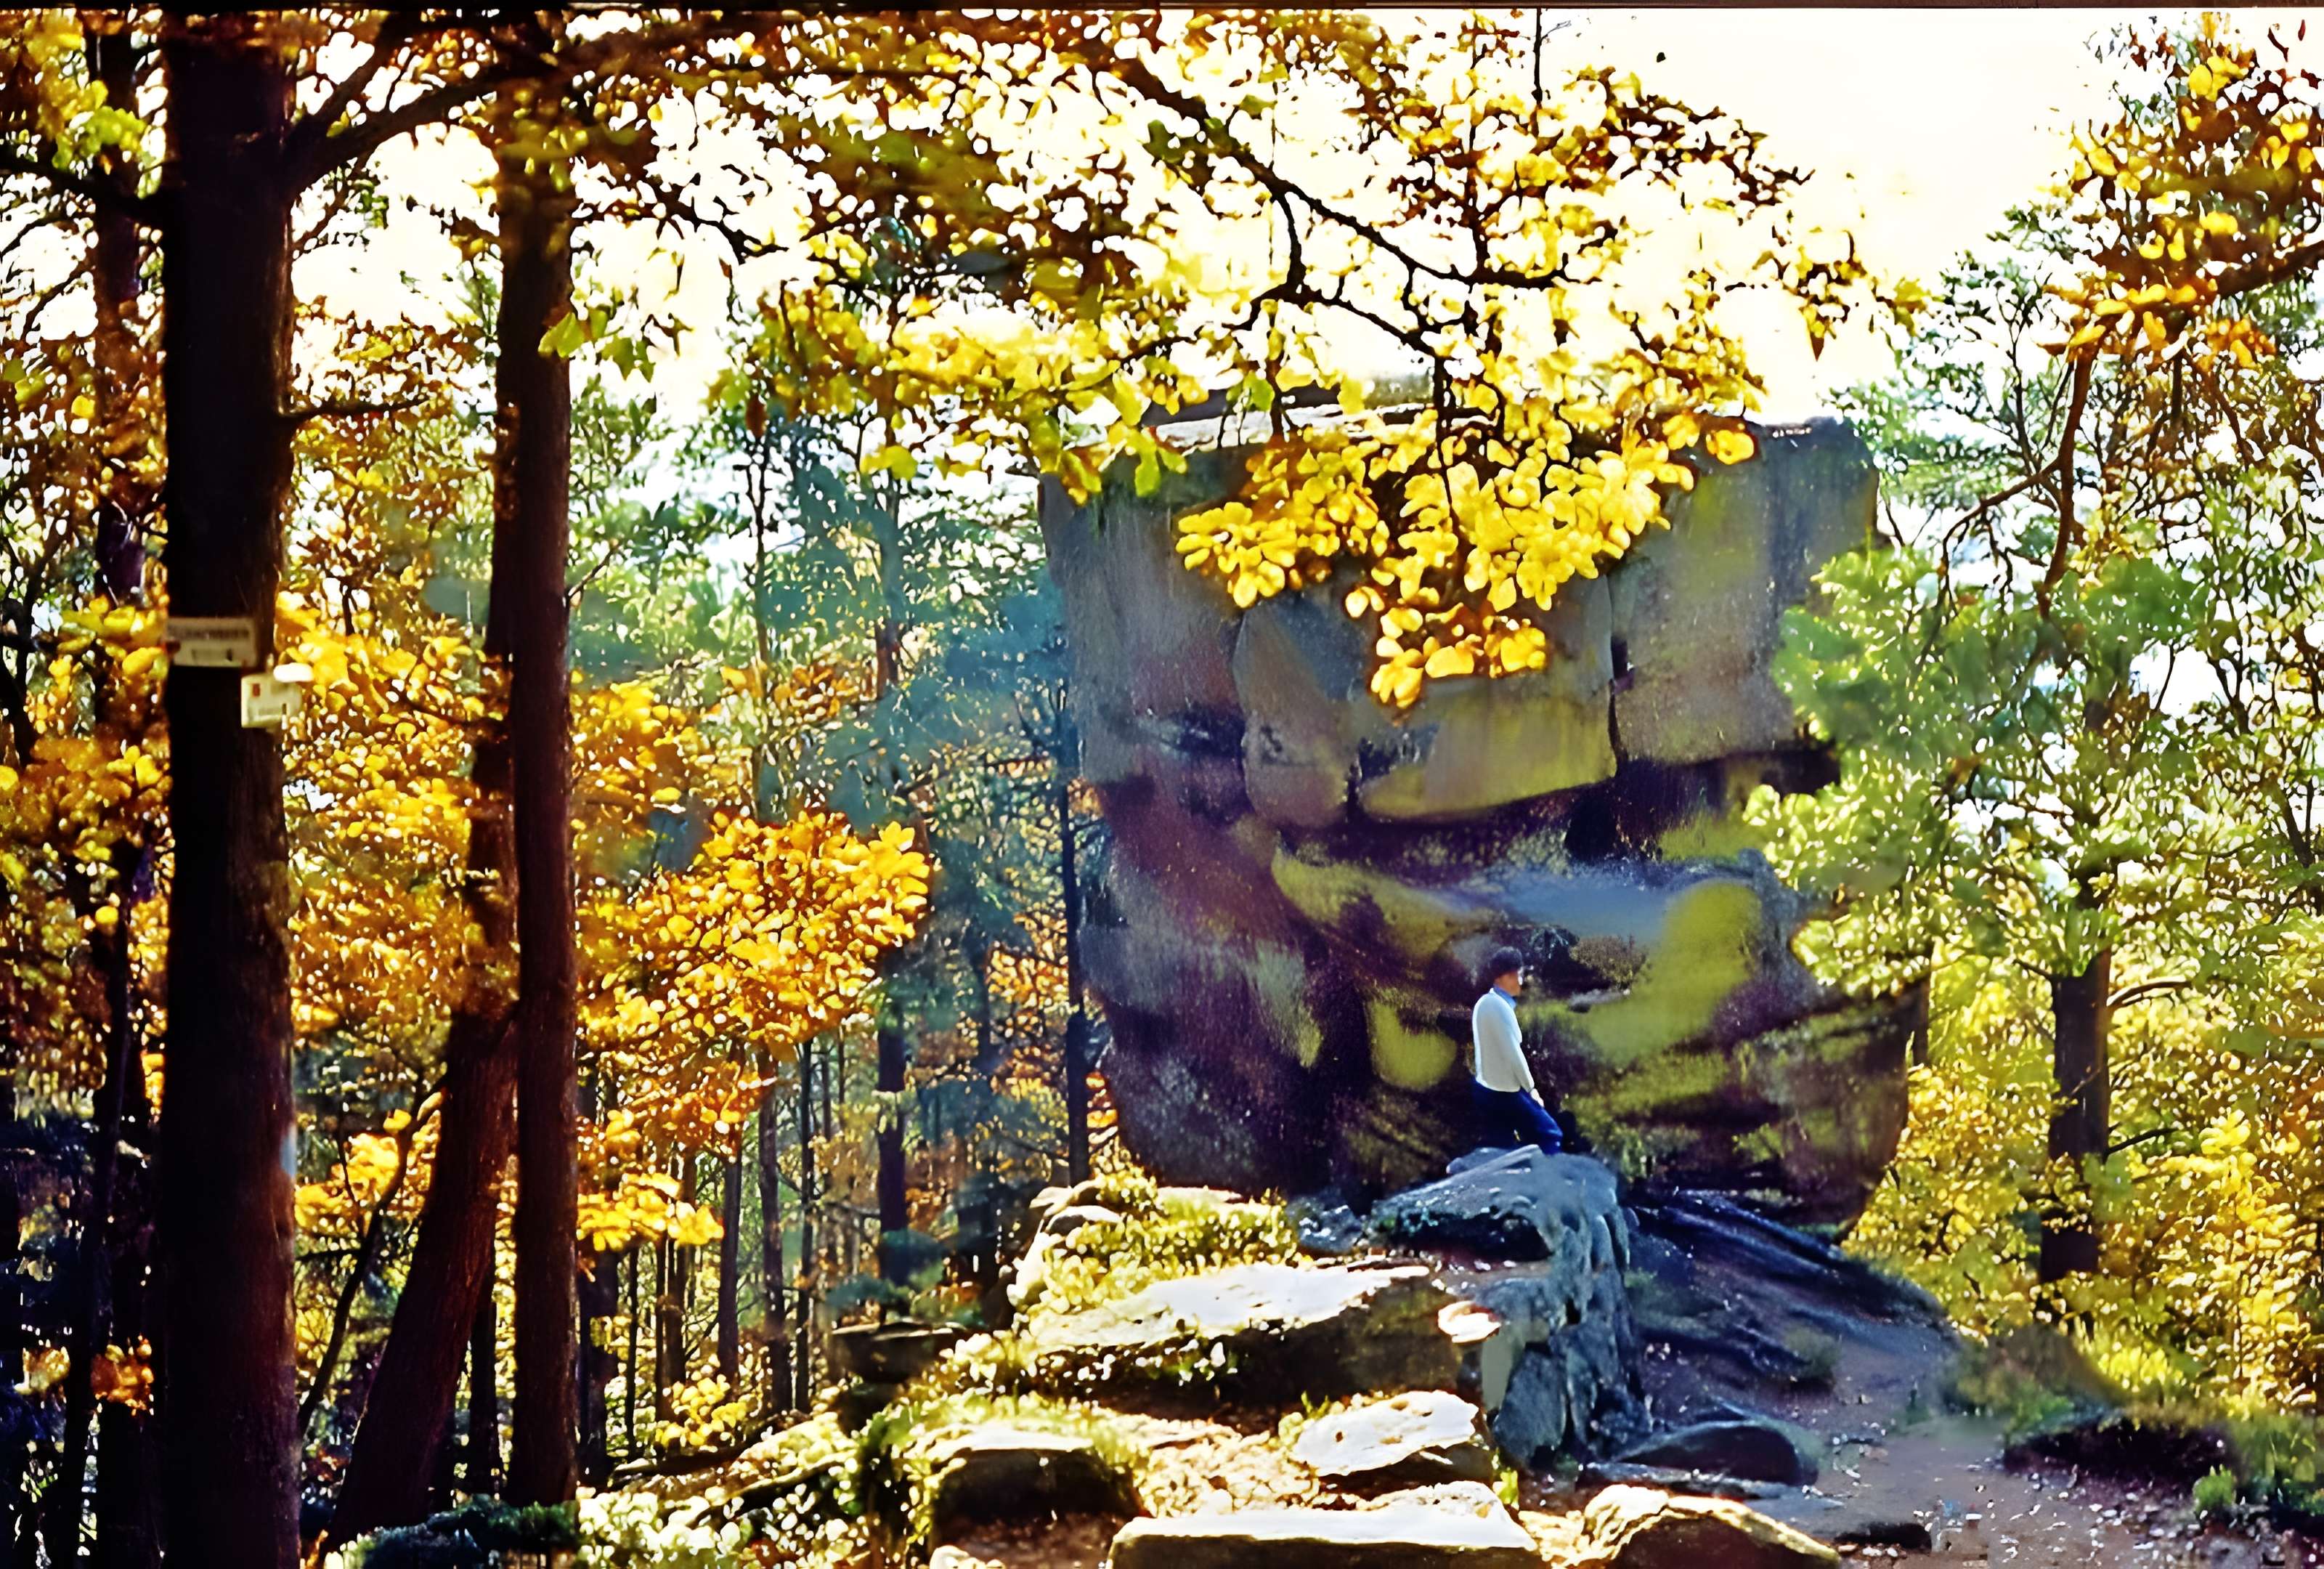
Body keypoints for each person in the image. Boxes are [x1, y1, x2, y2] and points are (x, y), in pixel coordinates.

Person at [1470, 946, 1563, 1155]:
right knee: (1551, 1134)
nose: (1520, 983)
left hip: (1486, 1088)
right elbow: (1514, 1054)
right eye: (1518, 976)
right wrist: (1531, 1090)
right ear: (1507, 976)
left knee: (1501, 1144)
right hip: (1504, 1091)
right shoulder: (1499, 1007)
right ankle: (1550, 1180)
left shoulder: (1483, 1004)